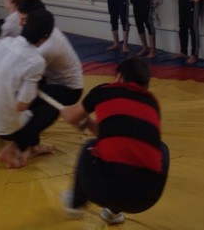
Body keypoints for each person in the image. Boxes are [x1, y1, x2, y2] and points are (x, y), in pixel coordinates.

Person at [60, 57, 169, 225]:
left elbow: (71, 117)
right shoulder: (152, 102)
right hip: (145, 198)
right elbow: (125, 133)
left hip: (103, 190)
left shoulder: (104, 91)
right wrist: (91, 124)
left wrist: (64, 109)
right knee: (161, 149)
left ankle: (75, 203)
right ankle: (112, 212)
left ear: (119, 76)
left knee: (90, 146)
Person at [0, 9, 54, 168]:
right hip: (5, 126)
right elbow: (22, 106)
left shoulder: (4, 42)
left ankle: (31, 146)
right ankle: (15, 147)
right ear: (44, 38)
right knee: (51, 109)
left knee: (30, 100)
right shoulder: (35, 61)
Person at [16, 0, 84, 155]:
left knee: (33, 104)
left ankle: (28, 144)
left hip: (69, 89)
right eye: (20, 18)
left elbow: (22, 71)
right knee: (26, 97)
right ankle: (27, 139)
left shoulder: (48, 47)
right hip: (51, 79)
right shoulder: (42, 30)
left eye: (24, 20)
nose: (20, 24)